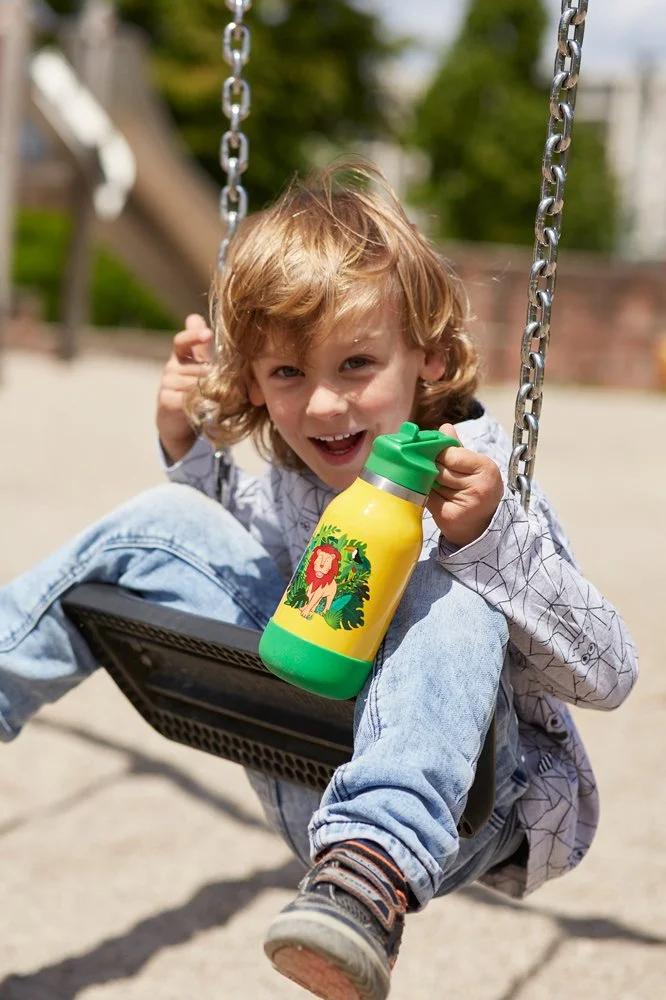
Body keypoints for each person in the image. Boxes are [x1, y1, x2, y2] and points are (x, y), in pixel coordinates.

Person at [0, 163, 637, 1000]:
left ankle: (372, 868)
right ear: (256, 382)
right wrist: (189, 447)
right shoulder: (293, 476)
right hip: (308, 769)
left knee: (444, 586)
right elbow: (221, 560)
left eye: (357, 364)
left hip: (466, 811)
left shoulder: (474, 488)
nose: (325, 408)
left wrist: (489, 542)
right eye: (288, 375)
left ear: (429, 358)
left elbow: (610, 674)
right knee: (166, 525)